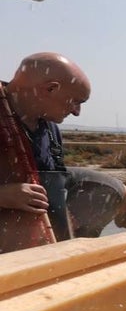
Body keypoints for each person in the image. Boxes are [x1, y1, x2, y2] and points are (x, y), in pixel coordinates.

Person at [0, 53, 91, 246]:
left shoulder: (51, 131)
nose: (76, 112)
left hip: (36, 257)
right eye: (76, 101)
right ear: (50, 89)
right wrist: (4, 196)